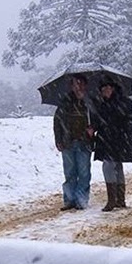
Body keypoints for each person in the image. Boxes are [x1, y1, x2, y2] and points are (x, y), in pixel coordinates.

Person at [93, 75, 132, 212]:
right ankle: (118, 199)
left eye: (108, 87)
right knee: (115, 166)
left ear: (113, 88)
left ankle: (114, 200)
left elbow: (128, 120)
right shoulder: (102, 104)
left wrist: (128, 134)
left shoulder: (121, 103)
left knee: (111, 166)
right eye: (103, 88)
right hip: (108, 140)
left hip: (117, 139)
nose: (105, 90)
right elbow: (99, 122)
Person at [53, 73, 94, 211]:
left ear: (86, 86)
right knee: (69, 173)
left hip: (84, 143)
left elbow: (98, 118)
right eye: (76, 83)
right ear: (71, 86)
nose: (79, 86)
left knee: (84, 173)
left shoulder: (90, 103)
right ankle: (69, 200)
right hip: (67, 143)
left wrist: (92, 129)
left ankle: (81, 200)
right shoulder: (64, 102)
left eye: (81, 83)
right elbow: (57, 122)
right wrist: (58, 139)